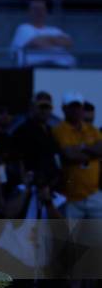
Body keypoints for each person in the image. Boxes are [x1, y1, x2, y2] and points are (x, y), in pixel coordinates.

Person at [52, 91, 102, 220]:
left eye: (78, 107)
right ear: (64, 108)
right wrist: (92, 152)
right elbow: (70, 155)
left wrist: (81, 148)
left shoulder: (92, 130)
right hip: (70, 197)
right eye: (72, 107)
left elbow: (100, 149)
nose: (75, 111)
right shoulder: (59, 130)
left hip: (93, 194)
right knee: (70, 237)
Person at [11, 0, 75, 68]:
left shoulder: (54, 30)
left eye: (42, 9)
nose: (39, 12)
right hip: (36, 67)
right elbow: (36, 43)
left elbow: (69, 42)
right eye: (36, 9)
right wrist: (56, 41)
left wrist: (46, 40)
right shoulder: (24, 28)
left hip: (62, 67)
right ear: (29, 12)